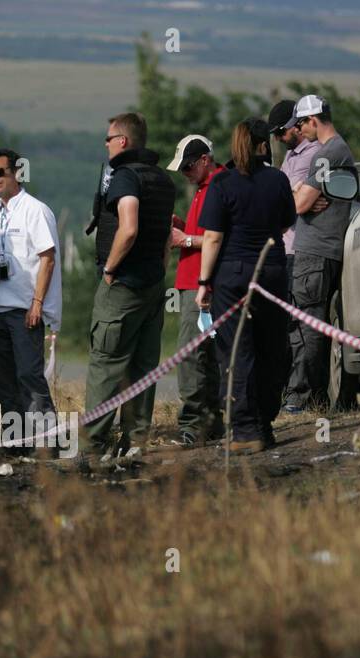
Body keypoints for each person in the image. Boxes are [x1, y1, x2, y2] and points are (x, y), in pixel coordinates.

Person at [80, 111, 176, 460]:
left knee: (106, 364)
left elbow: (130, 226)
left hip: (122, 285)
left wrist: (110, 268)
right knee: (142, 366)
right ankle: (135, 442)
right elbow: (166, 236)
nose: (105, 145)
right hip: (153, 284)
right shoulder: (163, 181)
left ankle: (92, 445)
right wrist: (160, 269)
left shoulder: (125, 177)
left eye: (108, 139)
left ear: (122, 141)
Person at [196, 121, 296, 451]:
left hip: (233, 275)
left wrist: (203, 281)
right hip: (271, 270)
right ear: (263, 146)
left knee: (238, 350)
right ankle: (265, 424)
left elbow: (212, 237)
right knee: (271, 348)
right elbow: (286, 221)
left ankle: (243, 429)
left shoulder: (222, 182)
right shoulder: (278, 179)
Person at [0, 146, 61, 432]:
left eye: (0, 172)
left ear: (17, 173)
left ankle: (48, 440)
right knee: (1, 380)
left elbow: (47, 258)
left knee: (29, 376)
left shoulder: (34, 210)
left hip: (24, 309)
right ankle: (17, 439)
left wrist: (38, 302)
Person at [286, 95, 355, 412]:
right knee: (317, 324)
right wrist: (300, 192)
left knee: (307, 325)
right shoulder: (336, 151)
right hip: (324, 249)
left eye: (300, 123)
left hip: (315, 249)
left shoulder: (327, 154)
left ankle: (307, 397)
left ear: (314, 120)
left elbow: (298, 204)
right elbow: (301, 196)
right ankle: (317, 395)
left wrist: (298, 194)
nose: (299, 130)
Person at [166, 133, 225, 445]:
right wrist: (183, 227)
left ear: (205, 160)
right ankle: (212, 421)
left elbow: (219, 238)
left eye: (189, 167)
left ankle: (192, 424)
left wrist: (184, 240)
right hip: (196, 282)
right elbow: (207, 233)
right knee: (206, 355)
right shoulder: (205, 187)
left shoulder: (217, 185)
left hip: (200, 285)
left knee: (191, 354)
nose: (185, 173)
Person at [270, 99, 321, 298]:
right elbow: (280, 194)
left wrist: (289, 196)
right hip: (285, 246)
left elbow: (293, 203)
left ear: (296, 126)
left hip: (297, 248)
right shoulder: (292, 154)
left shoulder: (312, 154)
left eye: (281, 132)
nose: (278, 138)